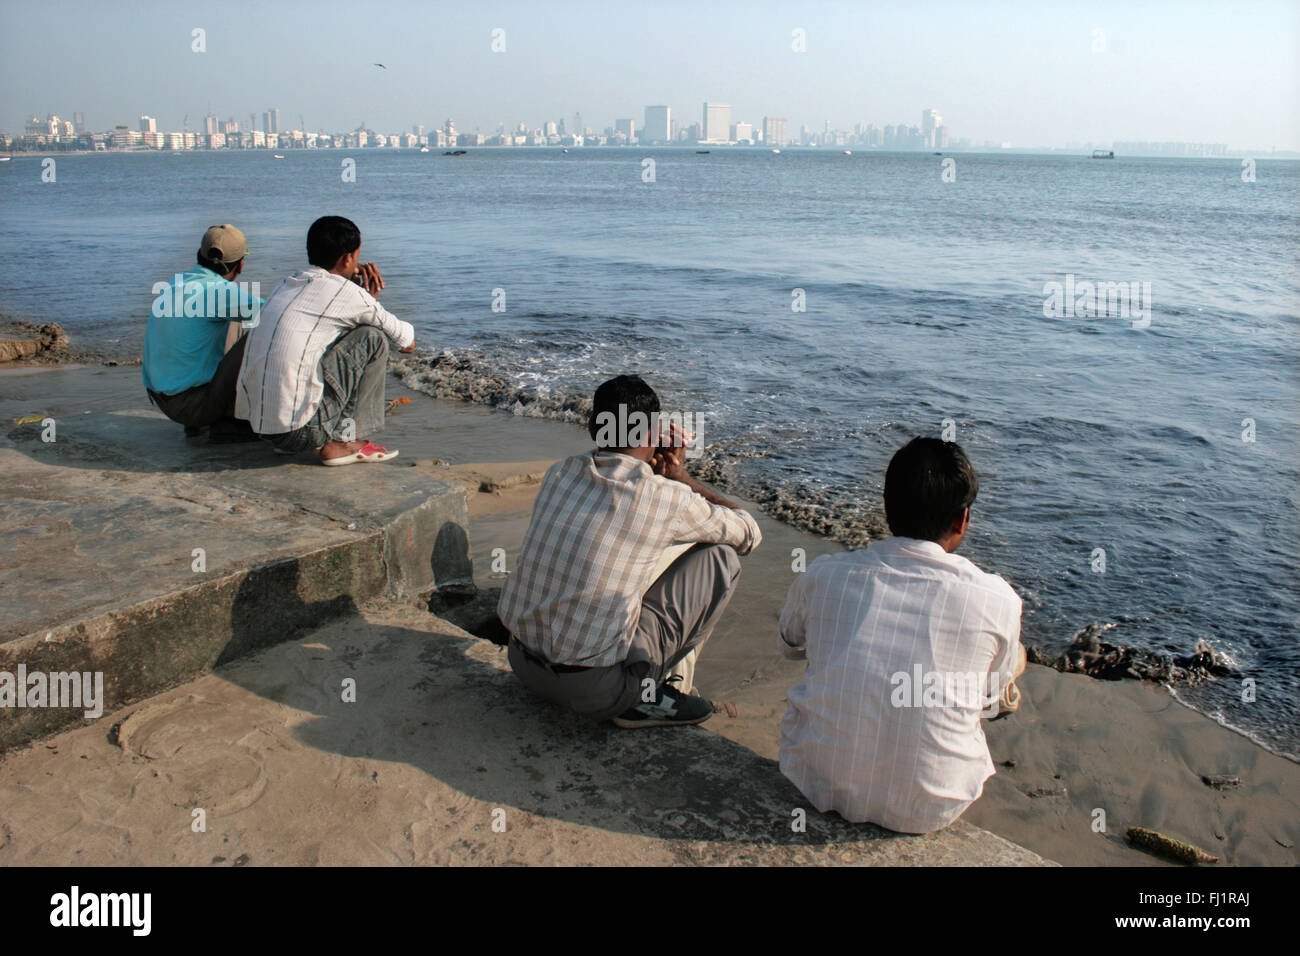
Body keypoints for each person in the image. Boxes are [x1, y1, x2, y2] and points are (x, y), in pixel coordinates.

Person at [777, 437, 1026, 833]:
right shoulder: (998, 599)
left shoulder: (823, 575)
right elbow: (987, 703)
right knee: (1005, 667)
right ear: (962, 520)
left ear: (886, 509)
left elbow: (791, 644)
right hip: (932, 806)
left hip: (814, 778)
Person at [498, 374, 762, 728]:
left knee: (632, 552)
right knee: (720, 558)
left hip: (521, 661)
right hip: (596, 692)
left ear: (594, 429)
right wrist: (680, 477)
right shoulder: (666, 498)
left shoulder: (559, 471)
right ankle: (646, 697)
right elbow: (749, 532)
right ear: (654, 435)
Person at [235, 216, 414, 464]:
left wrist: (363, 302)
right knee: (373, 338)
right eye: (357, 257)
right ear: (347, 258)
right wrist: (369, 301)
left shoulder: (287, 284)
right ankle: (344, 440)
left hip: (260, 426)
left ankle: (307, 437)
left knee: (330, 337)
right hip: (301, 433)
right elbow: (406, 343)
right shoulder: (347, 293)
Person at [143, 224, 263, 442]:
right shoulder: (218, 292)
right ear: (241, 265)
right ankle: (229, 419)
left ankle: (208, 418)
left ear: (199, 255)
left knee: (235, 321)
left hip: (163, 398)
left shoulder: (177, 282)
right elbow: (278, 312)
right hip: (191, 406)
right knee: (265, 330)